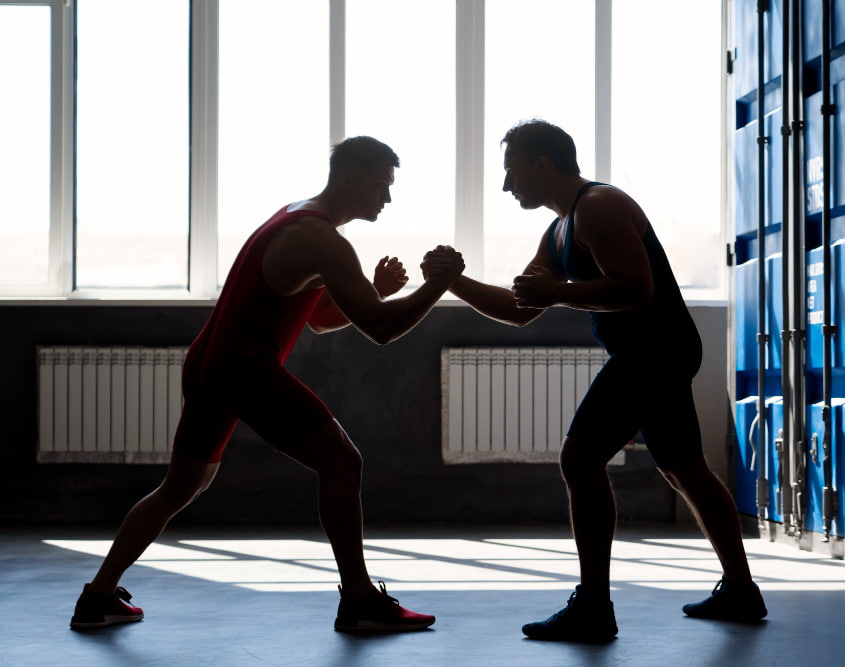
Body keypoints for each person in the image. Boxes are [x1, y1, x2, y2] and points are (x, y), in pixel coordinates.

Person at [70, 136, 464, 633]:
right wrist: (438, 284)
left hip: (210, 364)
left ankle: (97, 597)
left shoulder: (297, 218)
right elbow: (382, 329)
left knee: (179, 487)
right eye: (382, 186)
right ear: (348, 179)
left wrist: (378, 291)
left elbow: (319, 318)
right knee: (343, 463)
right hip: (243, 371)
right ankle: (361, 600)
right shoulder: (324, 240)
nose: (387, 198)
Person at [447, 120, 766, 641]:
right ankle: (741, 590)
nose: (508, 186)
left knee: (580, 457)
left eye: (512, 171)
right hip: (653, 351)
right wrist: (454, 281)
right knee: (684, 469)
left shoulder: (599, 206)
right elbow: (520, 308)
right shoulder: (557, 230)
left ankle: (594, 605)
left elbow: (636, 290)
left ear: (542, 164)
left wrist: (558, 293)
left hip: (655, 349)